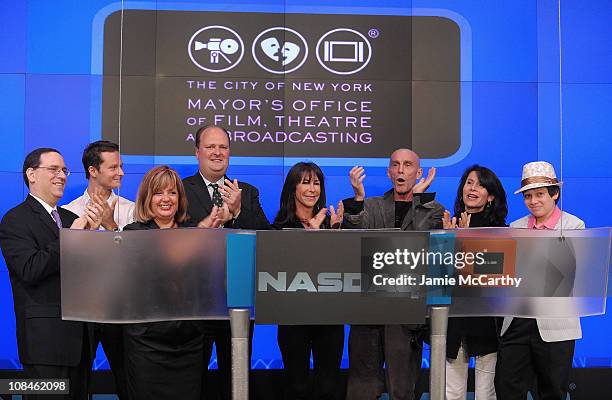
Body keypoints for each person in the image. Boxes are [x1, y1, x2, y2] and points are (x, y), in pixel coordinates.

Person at [0, 148, 103, 400]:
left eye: (64, 170)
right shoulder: (15, 220)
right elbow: (30, 269)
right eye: (53, 169)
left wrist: (95, 238)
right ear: (31, 174)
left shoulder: (71, 218)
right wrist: (71, 238)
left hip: (82, 340)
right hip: (45, 345)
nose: (62, 176)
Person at [343, 148, 444, 400]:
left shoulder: (432, 210)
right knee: (362, 390)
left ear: (418, 173)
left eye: (408, 165)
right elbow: (352, 240)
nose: (401, 170)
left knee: (402, 390)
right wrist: (357, 197)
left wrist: (418, 199)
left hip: (405, 315)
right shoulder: (370, 205)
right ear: (389, 171)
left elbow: (421, 245)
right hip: (368, 312)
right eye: (396, 165)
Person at [122, 165, 225, 400]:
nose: (166, 199)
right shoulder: (133, 233)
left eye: (172, 193)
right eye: (159, 193)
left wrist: (202, 237)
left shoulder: (194, 234)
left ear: (180, 198)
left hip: (189, 344)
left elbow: (207, 284)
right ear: (147, 198)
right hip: (147, 345)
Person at [182, 125, 270, 399]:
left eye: (223, 147)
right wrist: (204, 226)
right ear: (197, 152)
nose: (217, 153)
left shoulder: (247, 192)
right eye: (210, 147)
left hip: (238, 299)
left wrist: (239, 212)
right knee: (193, 377)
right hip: (195, 300)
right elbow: (173, 239)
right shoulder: (180, 189)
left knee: (236, 376)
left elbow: (266, 238)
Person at [494, 161, 583, 400]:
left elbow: (571, 275)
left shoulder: (574, 226)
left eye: (540, 194)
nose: (534, 201)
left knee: (553, 390)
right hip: (517, 319)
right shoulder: (515, 227)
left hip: (556, 322)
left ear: (555, 194)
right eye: (528, 196)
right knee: (507, 387)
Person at [63, 140, 134, 399]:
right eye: (114, 167)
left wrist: (110, 225)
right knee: (78, 385)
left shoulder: (132, 210)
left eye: (121, 166)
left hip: (122, 312)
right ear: (93, 171)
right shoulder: (68, 212)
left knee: (129, 382)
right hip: (83, 313)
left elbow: (134, 262)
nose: (121, 173)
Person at [272, 162, 345, 400]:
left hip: (330, 320)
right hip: (294, 322)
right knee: (297, 387)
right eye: (305, 183)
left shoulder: (331, 225)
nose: (312, 189)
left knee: (329, 387)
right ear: (292, 188)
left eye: (316, 183)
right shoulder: (278, 230)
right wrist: (309, 240)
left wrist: (333, 235)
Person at [442, 165, 508, 400]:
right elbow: (439, 277)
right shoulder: (448, 225)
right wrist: (450, 240)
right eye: (469, 183)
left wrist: (467, 241)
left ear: (490, 196)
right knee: (452, 393)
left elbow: (491, 279)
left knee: (485, 393)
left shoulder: (502, 232)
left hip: (487, 324)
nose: (472, 188)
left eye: (480, 185)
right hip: (454, 322)